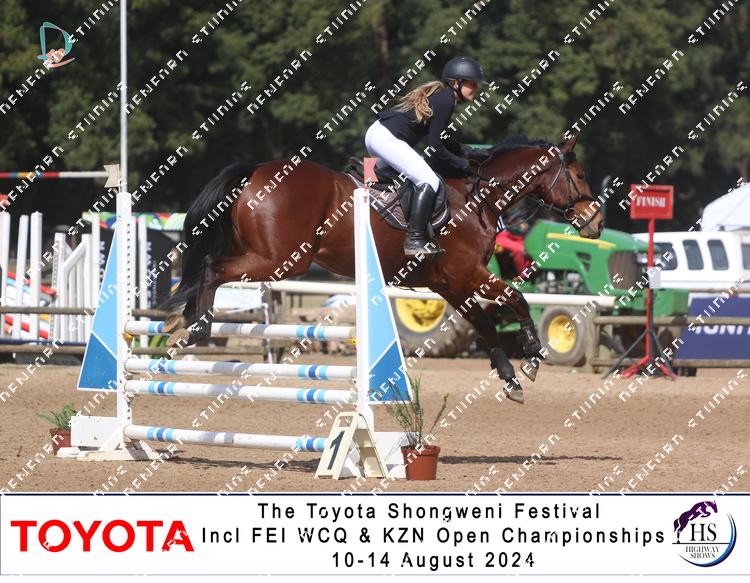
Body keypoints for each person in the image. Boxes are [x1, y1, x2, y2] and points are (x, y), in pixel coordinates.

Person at [364, 56, 490, 257]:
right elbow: (435, 147)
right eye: (472, 84)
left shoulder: (442, 97)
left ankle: (365, 183)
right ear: (456, 83)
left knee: (391, 177)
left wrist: (469, 152)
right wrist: (461, 164)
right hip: (386, 139)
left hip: (374, 134)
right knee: (430, 181)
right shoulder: (446, 101)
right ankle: (415, 240)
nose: (476, 88)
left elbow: (443, 138)